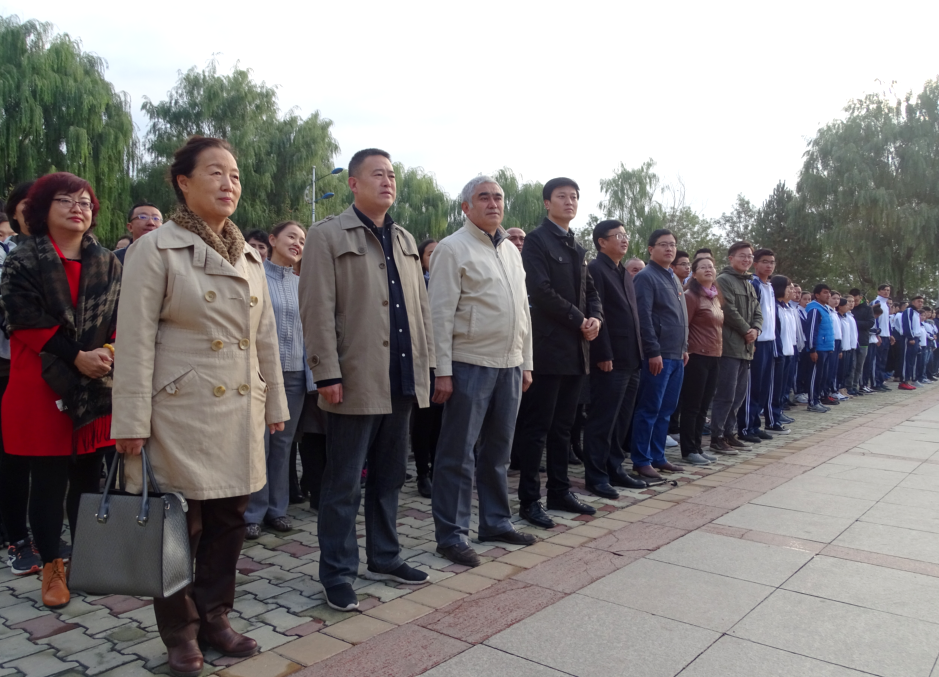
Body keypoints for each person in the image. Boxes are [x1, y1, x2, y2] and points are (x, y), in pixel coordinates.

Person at [112, 136, 289, 677]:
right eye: (215, 172)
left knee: (230, 520)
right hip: (178, 412)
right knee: (175, 528)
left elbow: (264, 338)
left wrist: (274, 403)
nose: (228, 183)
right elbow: (134, 340)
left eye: (234, 175)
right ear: (183, 183)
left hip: (239, 406)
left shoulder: (251, 256)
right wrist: (130, 421)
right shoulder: (155, 249)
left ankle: (215, 617)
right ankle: (180, 633)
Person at [300, 148, 434, 612]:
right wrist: (325, 371)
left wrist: (428, 368)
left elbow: (420, 311)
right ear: (353, 183)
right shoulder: (327, 235)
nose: (388, 181)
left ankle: (385, 556)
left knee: (390, 476)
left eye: (392, 174)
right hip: (354, 377)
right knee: (343, 484)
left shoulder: (404, 238)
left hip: (401, 377)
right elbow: (315, 308)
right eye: (378, 174)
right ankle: (337, 573)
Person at [1, 172, 121, 609]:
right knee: (48, 482)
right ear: (42, 209)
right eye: (66, 200)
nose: (78, 208)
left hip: (95, 385)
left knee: (87, 479)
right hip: (39, 383)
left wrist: (108, 350)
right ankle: (52, 567)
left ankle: (86, 560)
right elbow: (22, 318)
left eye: (85, 202)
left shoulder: (107, 262)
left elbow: (123, 317)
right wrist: (77, 355)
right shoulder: (22, 259)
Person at [428, 176, 536, 567]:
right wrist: (442, 370)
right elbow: (439, 314)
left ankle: (495, 522)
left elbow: (522, 310)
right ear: (466, 207)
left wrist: (526, 362)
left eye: (498, 198)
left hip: (509, 365)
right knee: (457, 455)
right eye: (483, 198)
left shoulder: (510, 250)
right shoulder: (452, 248)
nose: (493, 204)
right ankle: (451, 535)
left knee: (498, 453)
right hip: (468, 363)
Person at [511, 177, 601, 529]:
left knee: (564, 427)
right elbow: (540, 290)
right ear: (547, 203)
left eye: (574, 196)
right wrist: (580, 319)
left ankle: (559, 491)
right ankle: (529, 500)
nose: (569, 201)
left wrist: (596, 319)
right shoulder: (537, 241)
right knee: (537, 427)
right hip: (547, 349)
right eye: (562, 196)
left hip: (576, 350)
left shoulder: (576, 246)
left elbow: (591, 291)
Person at [244, 221, 309, 539]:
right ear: (272, 240)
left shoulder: (302, 285)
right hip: (261, 375)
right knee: (260, 443)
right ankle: (252, 513)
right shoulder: (254, 277)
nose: (297, 243)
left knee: (283, 445)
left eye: (302, 240)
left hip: (295, 375)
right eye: (291, 236)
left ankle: (277, 510)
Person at [582, 220, 647, 497]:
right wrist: (602, 353)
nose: (624, 239)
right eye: (617, 235)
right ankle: (596, 476)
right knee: (602, 420)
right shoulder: (596, 270)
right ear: (601, 242)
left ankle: (615, 468)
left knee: (621, 419)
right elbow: (596, 313)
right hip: (611, 359)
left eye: (625, 234)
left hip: (632, 358)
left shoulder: (624, 273)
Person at [630, 228, 689, 480]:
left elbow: (680, 317)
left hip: (677, 355)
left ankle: (658, 456)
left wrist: (684, 347)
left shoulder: (673, 277)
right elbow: (643, 317)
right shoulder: (646, 277)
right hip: (658, 355)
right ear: (651, 249)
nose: (669, 249)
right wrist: (652, 351)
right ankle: (641, 460)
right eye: (663, 244)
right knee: (649, 408)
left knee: (666, 409)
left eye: (672, 244)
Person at [710, 242, 761, 454]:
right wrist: (746, 329)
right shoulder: (723, 280)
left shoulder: (749, 283)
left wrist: (756, 329)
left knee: (739, 394)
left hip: (746, 347)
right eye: (742, 256)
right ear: (731, 258)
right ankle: (717, 436)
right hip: (730, 346)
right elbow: (727, 309)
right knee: (726, 394)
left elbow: (758, 311)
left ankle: (729, 433)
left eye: (749, 256)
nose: (747, 259)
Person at [677, 256, 723, 465]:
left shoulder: (715, 297)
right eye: (703, 267)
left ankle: (697, 447)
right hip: (696, 356)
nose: (708, 269)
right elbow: (684, 326)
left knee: (704, 406)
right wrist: (684, 350)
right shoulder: (690, 296)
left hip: (714, 355)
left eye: (711, 267)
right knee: (692, 405)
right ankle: (688, 450)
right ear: (694, 274)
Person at [737, 249, 777, 443]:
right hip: (757, 342)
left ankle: (755, 424)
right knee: (751, 387)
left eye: (772, 262)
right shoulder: (753, 284)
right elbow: (751, 313)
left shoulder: (769, 286)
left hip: (769, 341)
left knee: (763, 387)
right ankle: (745, 427)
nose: (769, 265)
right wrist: (752, 338)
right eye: (765, 261)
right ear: (756, 264)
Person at [412, 238, 441, 498]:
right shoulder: (415, 283)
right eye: (431, 253)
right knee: (424, 419)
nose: (437, 257)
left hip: (449, 359)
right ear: (421, 258)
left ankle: (438, 470)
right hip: (423, 360)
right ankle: (423, 472)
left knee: (442, 420)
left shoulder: (450, 281)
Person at [767, 275, 795, 434]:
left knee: (782, 388)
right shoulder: (774, 307)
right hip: (779, 353)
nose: (791, 290)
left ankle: (778, 414)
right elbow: (776, 332)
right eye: (788, 287)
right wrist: (778, 352)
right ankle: (772, 420)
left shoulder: (786, 308)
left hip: (788, 352)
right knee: (775, 389)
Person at [802, 284, 835, 412]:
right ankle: (812, 402)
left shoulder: (825, 309)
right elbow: (811, 331)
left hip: (826, 348)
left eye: (829, 292)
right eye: (825, 292)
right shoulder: (815, 309)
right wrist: (812, 349)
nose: (828, 295)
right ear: (817, 295)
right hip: (818, 349)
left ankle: (817, 400)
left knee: (822, 377)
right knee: (814, 377)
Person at [850, 289, 875, 395]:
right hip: (851, 341)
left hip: (863, 340)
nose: (854, 303)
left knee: (859, 366)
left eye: (856, 300)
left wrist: (854, 323)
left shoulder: (868, 309)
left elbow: (870, 323)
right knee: (852, 365)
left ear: (860, 298)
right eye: (852, 300)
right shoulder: (848, 309)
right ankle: (849, 386)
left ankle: (856, 386)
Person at [871, 284, 893, 391]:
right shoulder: (876, 302)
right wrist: (877, 334)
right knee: (877, 360)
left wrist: (890, 334)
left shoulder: (886, 305)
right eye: (884, 290)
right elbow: (874, 319)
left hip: (886, 336)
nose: (886, 292)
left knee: (883, 361)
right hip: (879, 336)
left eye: (888, 290)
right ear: (879, 291)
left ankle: (880, 381)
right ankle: (875, 383)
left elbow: (886, 321)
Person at [899, 296, 924, 390]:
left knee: (912, 361)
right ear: (913, 302)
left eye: (922, 302)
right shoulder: (909, 310)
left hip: (916, 339)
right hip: (909, 338)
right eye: (918, 301)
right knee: (906, 360)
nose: (920, 303)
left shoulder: (917, 313)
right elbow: (907, 324)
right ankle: (903, 381)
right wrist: (910, 337)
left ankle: (909, 380)